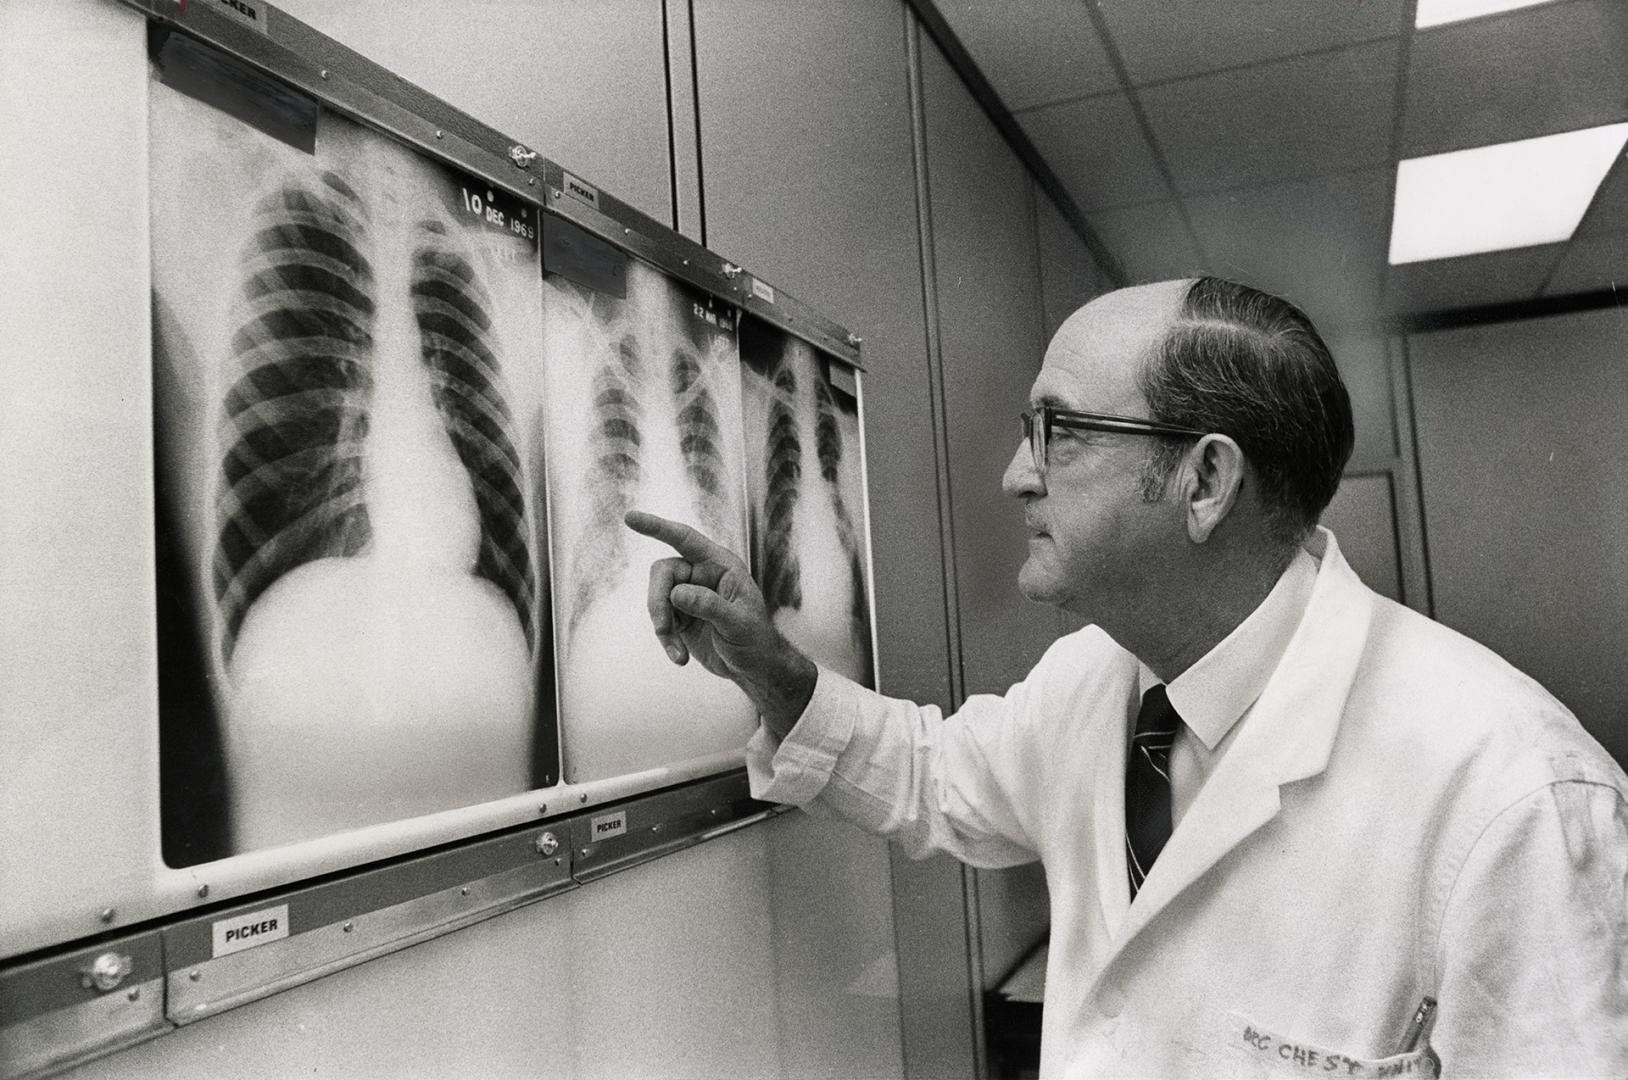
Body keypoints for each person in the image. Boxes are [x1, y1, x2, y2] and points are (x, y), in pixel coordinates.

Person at [625, 277, 1628, 1078]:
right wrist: (777, 677)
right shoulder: (1095, 681)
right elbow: (937, 776)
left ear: (1202, 481)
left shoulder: (1513, 795)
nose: (1017, 475)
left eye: (1055, 431)